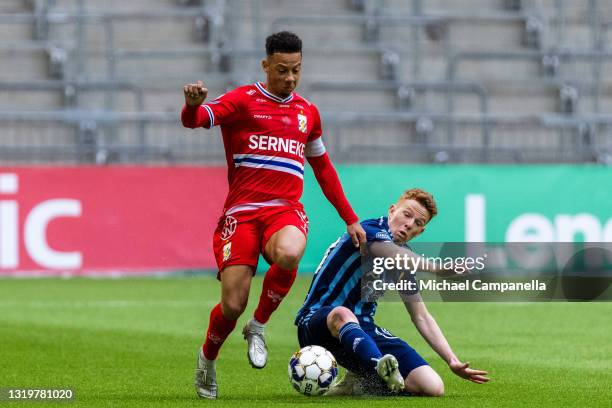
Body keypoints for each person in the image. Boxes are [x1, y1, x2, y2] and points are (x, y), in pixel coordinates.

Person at [181, 31, 366, 399]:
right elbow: (196, 120)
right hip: (242, 213)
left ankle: (259, 325)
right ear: (266, 66)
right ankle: (208, 358)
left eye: (296, 70)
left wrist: (350, 217)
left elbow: (324, 168)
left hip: (285, 210)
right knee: (232, 305)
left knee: (291, 252)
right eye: (282, 70)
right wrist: (192, 105)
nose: (290, 78)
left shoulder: (307, 112)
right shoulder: (242, 100)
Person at [295, 188, 489, 396]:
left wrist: (452, 360)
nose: (409, 224)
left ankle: (362, 381)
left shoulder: (405, 258)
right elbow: (391, 254)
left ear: (420, 232)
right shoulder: (369, 230)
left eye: (418, 223)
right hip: (317, 324)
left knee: (432, 387)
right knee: (342, 313)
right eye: (407, 215)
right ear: (392, 211)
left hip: (361, 332)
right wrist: (438, 269)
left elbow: (421, 316)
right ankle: (378, 367)